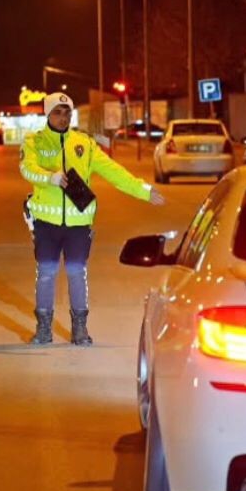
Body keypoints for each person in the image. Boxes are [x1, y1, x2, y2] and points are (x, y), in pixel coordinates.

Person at [20, 92, 165, 345]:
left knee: (77, 272)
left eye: (67, 113)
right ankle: (44, 329)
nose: (63, 118)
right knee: (46, 272)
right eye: (57, 112)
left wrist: (143, 190)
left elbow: (113, 171)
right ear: (48, 114)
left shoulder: (84, 144)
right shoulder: (35, 141)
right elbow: (27, 168)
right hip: (46, 223)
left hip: (78, 223)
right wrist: (50, 177)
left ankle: (80, 329)